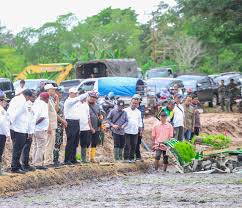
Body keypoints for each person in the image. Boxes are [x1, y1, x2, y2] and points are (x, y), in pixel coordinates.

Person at [7, 89, 34, 174]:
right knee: (17, 149)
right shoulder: (21, 101)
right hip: (18, 128)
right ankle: (15, 167)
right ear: (28, 96)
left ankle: (17, 165)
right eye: (30, 97)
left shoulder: (17, 99)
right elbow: (15, 113)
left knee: (18, 148)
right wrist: (10, 123)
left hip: (18, 128)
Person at [64, 87, 88, 164]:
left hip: (76, 122)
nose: (76, 94)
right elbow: (78, 99)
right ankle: (67, 159)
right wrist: (87, 93)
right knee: (70, 141)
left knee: (75, 141)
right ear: (70, 93)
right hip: (70, 122)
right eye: (75, 93)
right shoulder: (69, 101)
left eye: (76, 93)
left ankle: (73, 158)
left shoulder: (76, 101)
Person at [32, 92, 50, 170]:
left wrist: (33, 125)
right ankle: (38, 164)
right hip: (40, 129)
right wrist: (35, 123)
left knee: (36, 146)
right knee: (40, 146)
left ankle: (34, 162)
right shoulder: (44, 105)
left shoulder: (36, 103)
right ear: (46, 99)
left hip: (35, 129)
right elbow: (43, 117)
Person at [20, 90, 36, 172]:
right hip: (26, 129)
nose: (34, 98)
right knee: (25, 148)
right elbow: (29, 119)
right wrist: (29, 132)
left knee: (28, 147)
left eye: (34, 96)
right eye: (32, 96)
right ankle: (24, 164)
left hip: (30, 129)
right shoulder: (28, 105)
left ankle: (26, 164)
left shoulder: (33, 104)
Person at [123, 96, 143, 163]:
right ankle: (126, 158)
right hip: (126, 131)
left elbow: (140, 121)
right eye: (133, 103)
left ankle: (131, 158)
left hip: (135, 131)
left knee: (134, 145)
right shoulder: (125, 110)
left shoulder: (138, 112)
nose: (134, 104)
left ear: (137, 104)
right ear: (130, 102)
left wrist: (140, 130)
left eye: (136, 103)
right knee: (127, 145)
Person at [53, 86, 68, 167]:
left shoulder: (61, 103)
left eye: (62, 93)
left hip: (60, 125)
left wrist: (64, 120)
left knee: (59, 142)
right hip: (55, 125)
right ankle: (54, 160)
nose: (61, 94)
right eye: (59, 92)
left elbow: (62, 114)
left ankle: (56, 159)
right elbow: (55, 114)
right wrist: (63, 121)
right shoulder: (53, 102)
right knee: (55, 143)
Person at [44, 84, 58, 165]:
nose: (54, 91)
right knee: (49, 143)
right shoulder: (46, 100)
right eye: (52, 89)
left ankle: (50, 160)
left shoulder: (50, 99)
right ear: (48, 90)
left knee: (52, 143)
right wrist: (48, 126)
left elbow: (55, 110)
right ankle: (47, 161)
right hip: (50, 125)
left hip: (53, 124)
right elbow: (46, 114)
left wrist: (57, 99)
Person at [88, 91, 102, 163]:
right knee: (87, 143)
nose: (93, 99)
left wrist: (101, 119)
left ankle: (92, 158)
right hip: (87, 128)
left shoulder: (97, 106)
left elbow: (99, 114)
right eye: (91, 97)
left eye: (94, 98)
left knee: (94, 143)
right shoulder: (85, 105)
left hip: (96, 127)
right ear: (88, 97)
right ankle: (86, 158)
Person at [79, 94, 93, 163]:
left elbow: (88, 117)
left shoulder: (86, 105)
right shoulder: (77, 104)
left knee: (86, 143)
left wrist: (90, 127)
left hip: (86, 127)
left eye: (86, 97)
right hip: (78, 127)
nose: (85, 98)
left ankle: (84, 158)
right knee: (76, 143)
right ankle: (76, 158)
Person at [0, 91, 10, 175]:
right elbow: (3, 123)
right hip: (1, 134)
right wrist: (7, 134)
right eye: (5, 101)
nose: (6, 103)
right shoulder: (1, 110)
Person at [135, 95, 145, 161]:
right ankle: (133, 156)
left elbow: (141, 117)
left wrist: (141, 129)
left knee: (138, 142)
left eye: (138, 99)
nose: (137, 101)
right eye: (136, 99)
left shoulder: (141, 108)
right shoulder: (131, 108)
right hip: (132, 127)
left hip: (140, 127)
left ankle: (138, 156)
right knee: (132, 142)